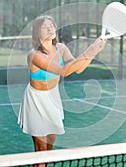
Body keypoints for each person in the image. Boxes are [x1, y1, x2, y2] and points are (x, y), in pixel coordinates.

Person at [17, 15, 107, 162]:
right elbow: (63, 71)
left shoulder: (61, 48)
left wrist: (94, 52)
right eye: (44, 27)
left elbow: (77, 68)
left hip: (53, 97)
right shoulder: (34, 55)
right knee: (40, 148)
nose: (50, 28)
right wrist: (90, 50)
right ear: (37, 33)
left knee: (51, 140)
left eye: (51, 25)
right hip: (35, 99)